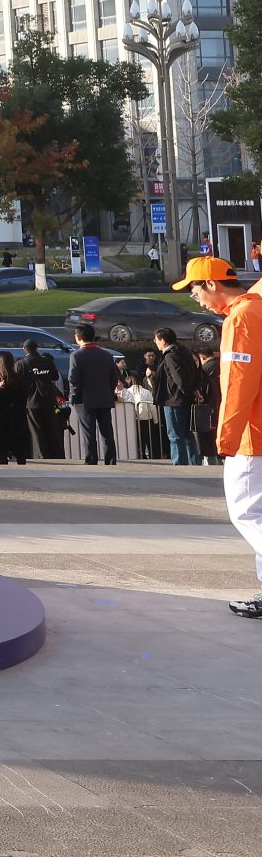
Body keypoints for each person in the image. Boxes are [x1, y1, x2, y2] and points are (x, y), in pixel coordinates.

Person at [185, 261, 262, 617]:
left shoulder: (242, 317)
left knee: (246, 511)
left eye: (195, 291)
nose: (196, 299)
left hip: (253, 435)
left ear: (212, 284)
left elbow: (237, 383)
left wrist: (226, 438)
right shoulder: (256, 307)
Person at [154, 328, 207, 466]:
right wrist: (194, 390)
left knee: (175, 436)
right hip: (184, 399)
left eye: (157, 339)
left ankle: (179, 464)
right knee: (188, 435)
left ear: (163, 341)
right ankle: (194, 463)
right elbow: (196, 372)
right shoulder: (184, 352)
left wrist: (188, 392)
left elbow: (179, 378)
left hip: (174, 400)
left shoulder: (170, 356)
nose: (155, 342)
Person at [70, 328, 123, 465]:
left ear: (78, 337)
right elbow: (114, 378)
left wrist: (73, 397)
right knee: (107, 432)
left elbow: (74, 380)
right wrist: (108, 392)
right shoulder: (106, 355)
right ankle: (110, 461)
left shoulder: (76, 355)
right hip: (104, 398)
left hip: (84, 400)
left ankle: (91, 460)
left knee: (89, 433)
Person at [22, 340, 66, 460]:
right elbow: (55, 376)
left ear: (24, 349)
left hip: (31, 401)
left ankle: (41, 455)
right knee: (51, 428)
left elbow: (18, 381)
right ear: (37, 348)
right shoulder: (47, 361)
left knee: (36, 430)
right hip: (48, 400)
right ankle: (56, 454)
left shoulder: (22, 363)